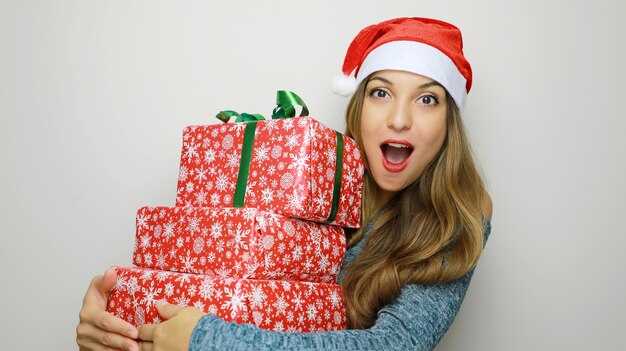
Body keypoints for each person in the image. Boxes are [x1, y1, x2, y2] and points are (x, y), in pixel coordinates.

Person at [76, 17, 493, 351]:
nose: (399, 119)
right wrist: (119, 317)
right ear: (359, 106)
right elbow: (214, 279)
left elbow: (397, 344)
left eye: (426, 99)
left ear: (449, 121)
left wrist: (208, 340)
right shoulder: (301, 171)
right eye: (381, 93)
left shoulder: (458, 214)